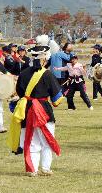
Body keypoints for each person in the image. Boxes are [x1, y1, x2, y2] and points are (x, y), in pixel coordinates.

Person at [7, 36, 64, 176]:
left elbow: (20, 93)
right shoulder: (48, 74)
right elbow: (57, 100)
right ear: (44, 58)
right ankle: (45, 168)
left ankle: (33, 169)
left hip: (27, 109)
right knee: (47, 140)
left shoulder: (23, 74)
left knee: (32, 141)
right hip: (44, 110)